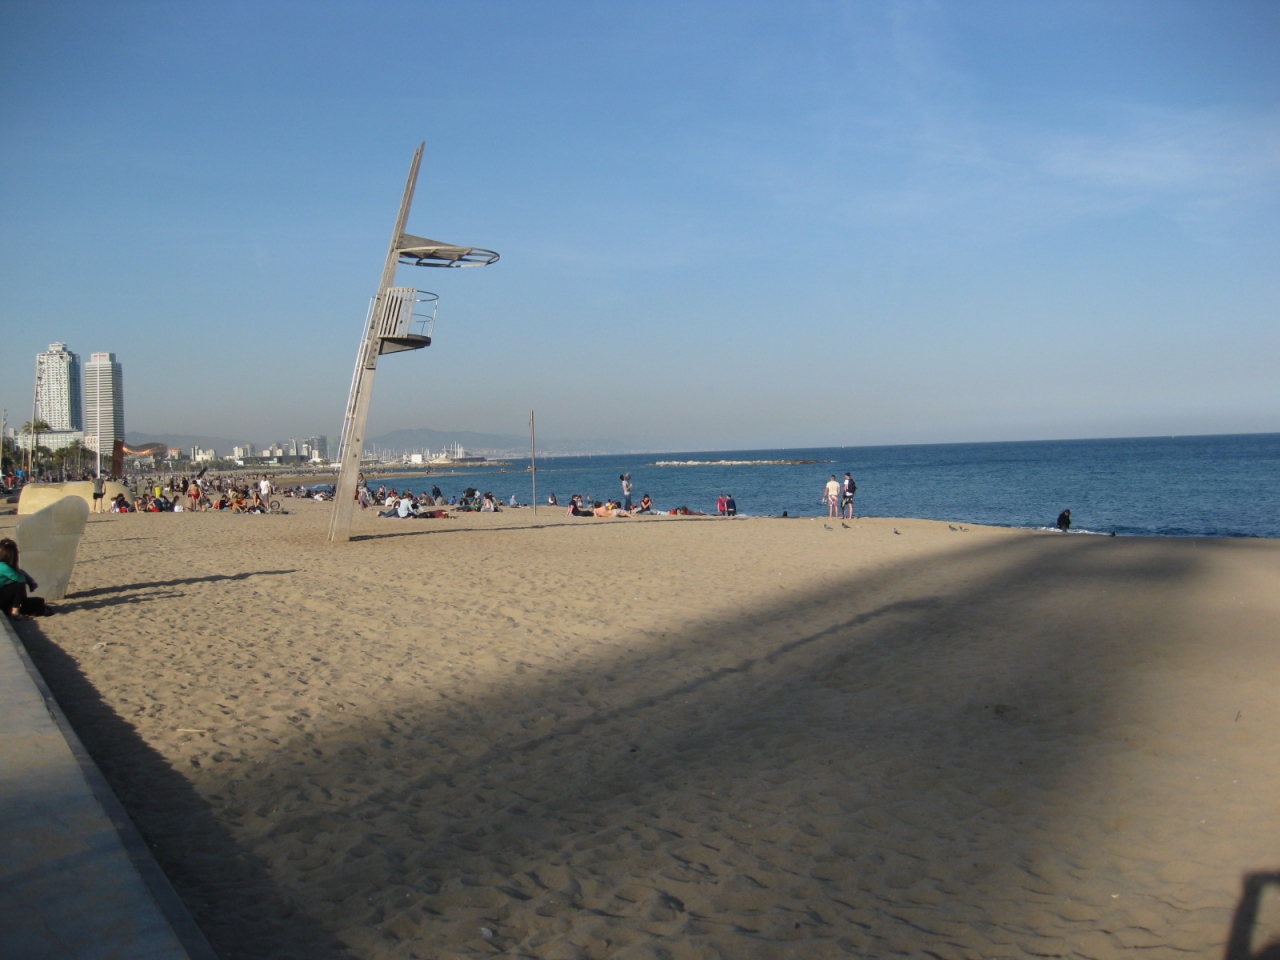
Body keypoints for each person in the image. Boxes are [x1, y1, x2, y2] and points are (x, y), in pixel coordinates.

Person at [0, 538, 37, 620]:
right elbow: (21, 580)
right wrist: (16, 567)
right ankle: (15, 613)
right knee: (19, 585)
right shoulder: (4, 567)